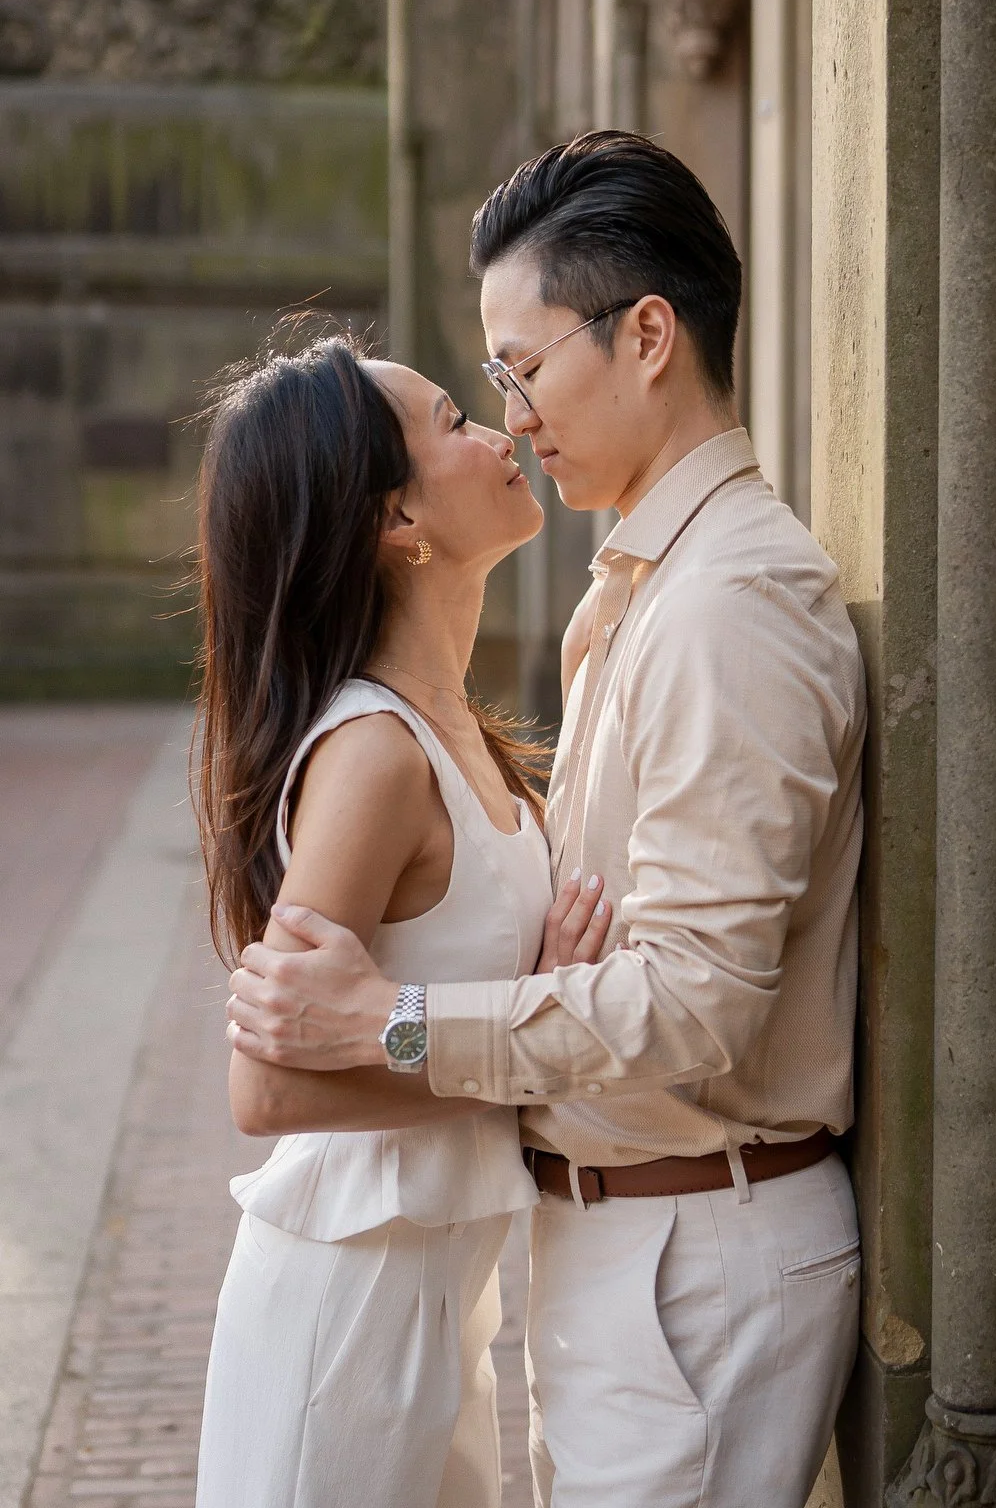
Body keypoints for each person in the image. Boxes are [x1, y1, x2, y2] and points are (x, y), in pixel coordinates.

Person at [227, 131, 868, 1508]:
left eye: (518, 371)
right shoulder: (645, 588)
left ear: (647, 336)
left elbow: (699, 1003)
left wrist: (397, 1022)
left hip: (699, 1244)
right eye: (487, 390)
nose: (509, 414)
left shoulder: (725, 608)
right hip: (628, 1248)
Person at [192, 336, 610, 1508]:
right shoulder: (375, 754)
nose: (503, 431)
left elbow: (431, 1007)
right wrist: (521, 1058)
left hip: (441, 1303)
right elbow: (264, 1091)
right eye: (454, 422)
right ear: (396, 519)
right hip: (343, 1317)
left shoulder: (464, 735)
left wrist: (516, 1023)